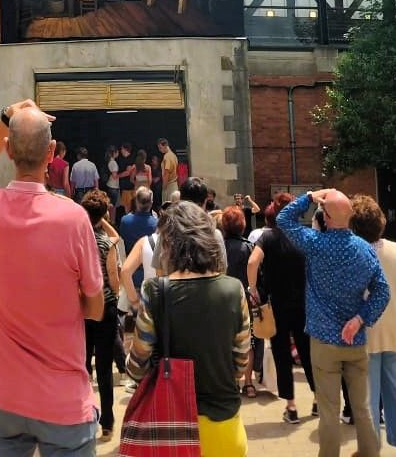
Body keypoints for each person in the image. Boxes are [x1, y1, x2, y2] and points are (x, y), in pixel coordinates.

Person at [0, 101, 104, 455]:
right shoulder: (74, 219)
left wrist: (6, 118)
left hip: (3, 397)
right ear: (51, 153)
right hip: (63, 402)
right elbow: (94, 308)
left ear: (9, 151)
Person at [128, 200, 252, 455]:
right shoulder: (233, 288)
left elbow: (137, 367)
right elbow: (240, 362)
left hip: (171, 427)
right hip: (224, 424)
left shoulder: (154, 291)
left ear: (169, 244)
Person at [277, 189, 390, 457]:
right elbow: (383, 292)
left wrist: (309, 197)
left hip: (323, 339)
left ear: (325, 217)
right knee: (362, 408)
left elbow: (283, 219)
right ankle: (369, 453)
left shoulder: (315, 244)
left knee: (329, 411)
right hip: (355, 338)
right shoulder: (366, 250)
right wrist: (361, 318)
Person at [351, 195, 396, 457]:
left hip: (365, 336)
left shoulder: (352, 256)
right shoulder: (395, 251)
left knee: (367, 398)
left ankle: (369, 448)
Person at [248, 193, 314, 424]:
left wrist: (253, 288)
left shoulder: (268, 237)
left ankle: (291, 406)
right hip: (305, 303)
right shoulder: (305, 236)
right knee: (308, 352)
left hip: (277, 304)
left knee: (282, 354)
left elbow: (252, 262)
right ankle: (317, 400)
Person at [75, 189, 123, 440]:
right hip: (105, 307)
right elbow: (114, 280)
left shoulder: (75, 240)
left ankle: (81, 414)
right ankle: (107, 421)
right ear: (104, 214)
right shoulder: (107, 243)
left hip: (80, 307)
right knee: (104, 367)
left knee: (83, 364)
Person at [218, 206, 259, 398]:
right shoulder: (249, 247)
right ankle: (248, 382)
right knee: (247, 341)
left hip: (221, 299)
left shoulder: (217, 247)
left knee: (225, 341)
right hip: (244, 300)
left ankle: (232, 381)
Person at [118, 188, 159, 295]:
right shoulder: (157, 224)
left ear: (136, 201)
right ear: (151, 203)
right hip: (151, 273)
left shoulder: (125, 221)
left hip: (131, 272)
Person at [158, 139, 180, 204]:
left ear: (165, 145)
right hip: (174, 184)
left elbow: (166, 172)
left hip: (169, 185)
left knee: (167, 206)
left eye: (160, 148)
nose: (159, 150)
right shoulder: (174, 156)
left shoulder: (167, 156)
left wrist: (164, 186)